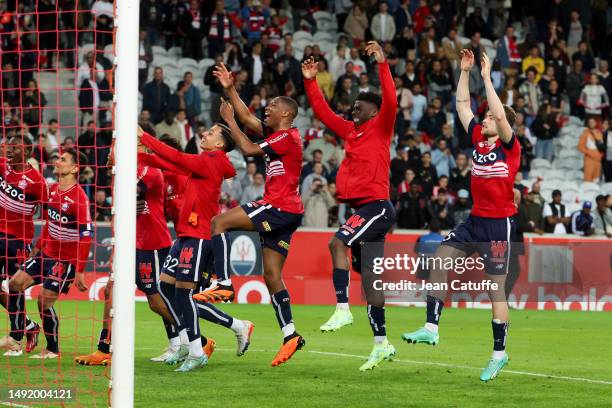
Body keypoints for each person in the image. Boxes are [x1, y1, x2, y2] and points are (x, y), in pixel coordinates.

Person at [402, 49, 520, 382]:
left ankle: (499, 354)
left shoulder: (511, 148)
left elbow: (497, 113)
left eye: (488, 120)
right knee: (441, 257)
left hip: (499, 226)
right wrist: (465, 71)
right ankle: (431, 327)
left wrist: (487, 77)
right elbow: (462, 106)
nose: (482, 120)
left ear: (501, 124)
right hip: (475, 221)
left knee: (495, 290)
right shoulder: (478, 144)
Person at [195, 62, 305, 367]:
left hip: (280, 205)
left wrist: (229, 122)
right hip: (289, 211)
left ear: (285, 113)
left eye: (271, 106)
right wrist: (229, 87)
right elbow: (246, 116)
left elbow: (246, 148)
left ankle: (224, 282)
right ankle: (291, 334)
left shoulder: (288, 137)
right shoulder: (277, 133)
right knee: (271, 275)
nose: (265, 110)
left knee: (219, 222)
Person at [303, 41, 398, 371]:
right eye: (353, 107)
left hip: (377, 206)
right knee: (371, 277)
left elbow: (391, 98)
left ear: (374, 111)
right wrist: (311, 82)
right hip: (361, 209)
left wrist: (382, 63)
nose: (353, 111)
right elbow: (323, 113)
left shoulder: (382, 124)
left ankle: (342, 308)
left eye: (359, 108)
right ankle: (381, 343)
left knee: (336, 242)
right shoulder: (351, 131)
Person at [138, 124, 254, 372]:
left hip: (200, 235)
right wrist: (133, 154)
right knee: (166, 288)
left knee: (183, 295)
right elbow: (169, 164)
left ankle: (196, 350)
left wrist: (143, 136)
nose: (204, 134)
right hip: (184, 236)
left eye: (211, 133)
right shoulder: (205, 160)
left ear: (221, 144)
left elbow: (176, 158)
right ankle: (228, 329)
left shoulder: (213, 160)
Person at [6, 149, 92, 359]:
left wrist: (80, 271)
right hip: (46, 255)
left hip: (66, 261)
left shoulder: (79, 198)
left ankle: (52, 349)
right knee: (14, 283)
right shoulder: (52, 189)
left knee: (43, 301)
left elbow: (86, 236)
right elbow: (49, 224)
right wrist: (36, 249)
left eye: (63, 159)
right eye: (58, 158)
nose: (57, 161)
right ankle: (17, 334)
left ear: (74, 168)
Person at [0, 137, 48, 356]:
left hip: (18, 240)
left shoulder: (36, 181)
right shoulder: (3, 167)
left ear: (26, 150)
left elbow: (50, 212)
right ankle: (28, 326)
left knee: (15, 287)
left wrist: (42, 243)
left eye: (14, 147)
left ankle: (16, 340)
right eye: (7, 146)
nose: (9, 149)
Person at [578, 117, 604, 182]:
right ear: (588, 124)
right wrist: (589, 153)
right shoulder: (585, 133)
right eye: (590, 122)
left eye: (593, 122)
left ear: (595, 123)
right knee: (588, 180)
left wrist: (601, 155)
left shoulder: (599, 133)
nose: (591, 123)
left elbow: (602, 146)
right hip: (589, 159)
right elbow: (580, 147)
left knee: (596, 180)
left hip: (598, 160)